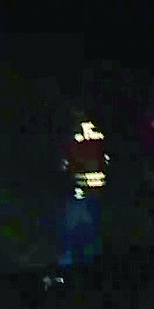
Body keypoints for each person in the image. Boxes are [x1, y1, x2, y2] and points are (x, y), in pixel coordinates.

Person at [57, 110, 108, 274]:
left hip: (79, 188)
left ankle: (71, 264)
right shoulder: (99, 132)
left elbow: (66, 162)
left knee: (74, 226)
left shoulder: (74, 134)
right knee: (93, 227)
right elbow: (105, 157)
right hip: (98, 187)